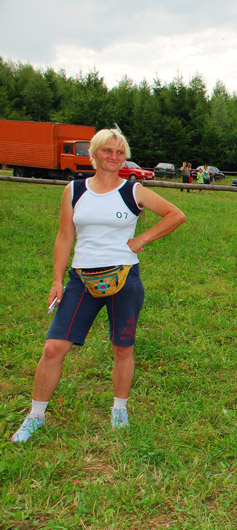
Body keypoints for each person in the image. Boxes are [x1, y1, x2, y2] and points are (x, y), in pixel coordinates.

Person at [11, 127, 186, 443]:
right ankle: (35, 416)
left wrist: (141, 239)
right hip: (81, 279)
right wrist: (56, 280)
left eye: (120, 152)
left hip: (124, 278)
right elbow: (65, 236)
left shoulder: (132, 191)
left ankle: (119, 408)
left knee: (123, 347)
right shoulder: (75, 190)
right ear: (93, 154)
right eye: (107, 151)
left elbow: (175, 215)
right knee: (53, 347)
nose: (114, 157)